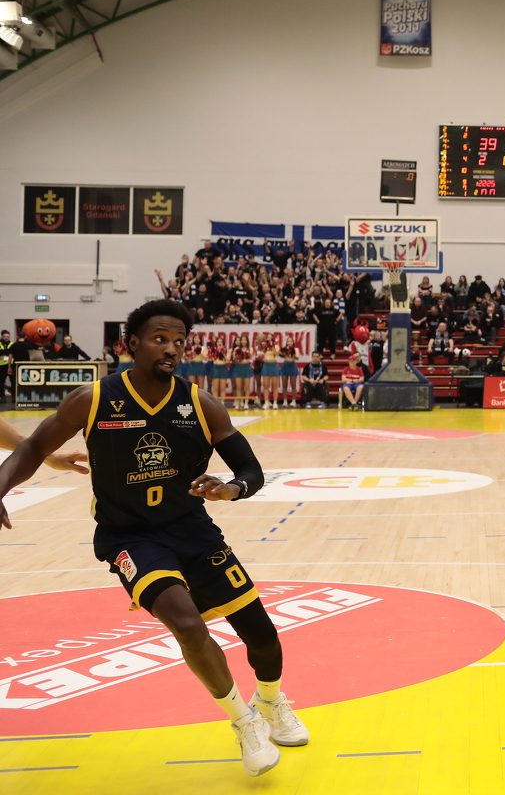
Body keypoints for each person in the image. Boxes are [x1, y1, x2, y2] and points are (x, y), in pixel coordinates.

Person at [0, 299, 308, 775]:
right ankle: (243, 721)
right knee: (188, 625)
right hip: (129, 537)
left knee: (262, 637)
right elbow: (35, 447)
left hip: (193, 531)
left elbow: (251, 469)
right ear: (131, 344)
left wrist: (232, 488)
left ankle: (270, 701)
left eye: (179, 341)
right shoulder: (92, 399)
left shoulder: (200, 403)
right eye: (160, 339)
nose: (171, 349)